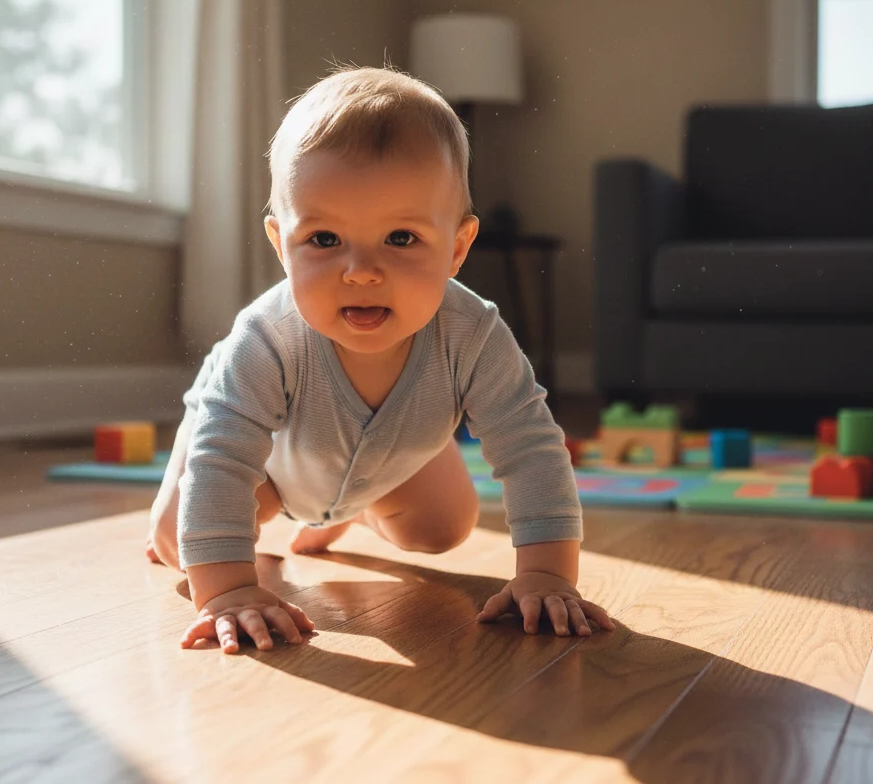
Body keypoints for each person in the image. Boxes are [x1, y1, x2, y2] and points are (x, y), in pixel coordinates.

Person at [147, 65, 615, 654]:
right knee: (178, 543)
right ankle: (211, 464)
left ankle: (360, 502)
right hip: (267, 460)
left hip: (391, 448)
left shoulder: (473, 333)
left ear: (457, 248)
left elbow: (531, 447)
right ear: (280, 245)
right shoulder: (268, 338)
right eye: (323, 240)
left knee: (444, 530)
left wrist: (546, 576)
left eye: (400, 239)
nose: (361, 271)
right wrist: (228, 591)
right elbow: (222, 461)